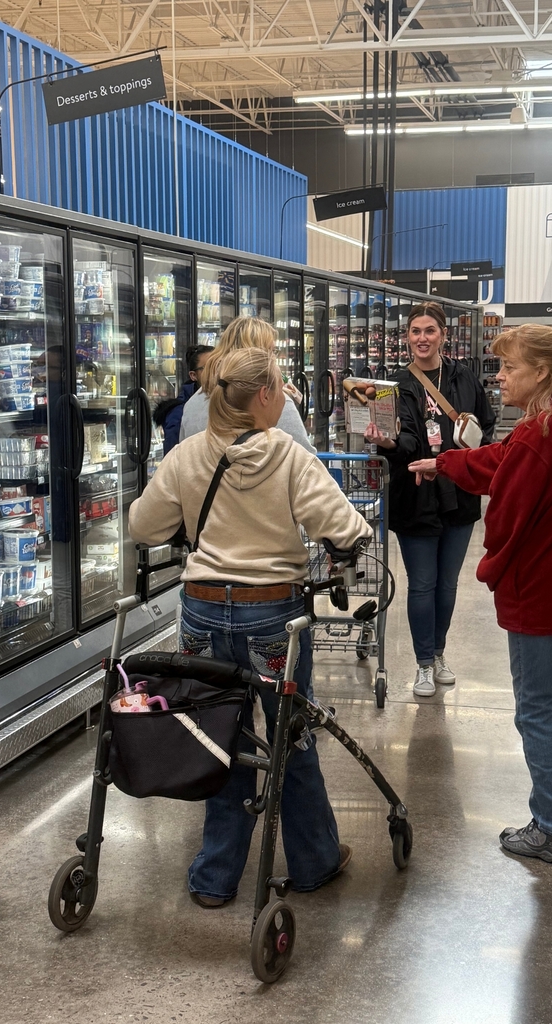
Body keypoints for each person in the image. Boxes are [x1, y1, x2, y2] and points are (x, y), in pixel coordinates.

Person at [129, 346, 371, 906]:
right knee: (291, 736)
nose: (284, 394)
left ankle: (216, 876)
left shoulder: (187, 455)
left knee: (217, 734)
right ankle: (313, 860)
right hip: (272, 617)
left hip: (201, 611)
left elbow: (143, 526)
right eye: (280, 385)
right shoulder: (288, 455)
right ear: (264, 395)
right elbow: (346, 528)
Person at [408, 324, 552, 866]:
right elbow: (503, 461)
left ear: (541, 372)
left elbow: (507, 514)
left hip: (539, 589)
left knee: (535, 708)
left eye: (509, 367)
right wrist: (444, 463)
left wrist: (493, 566)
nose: (499, 377)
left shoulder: (538, 431)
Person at [364, 301, 495, 698]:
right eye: (416, 331)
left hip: (458, 494)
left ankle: (438, 653)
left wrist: (470, 454)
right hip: (416, 496)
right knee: (422, 584)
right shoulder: (393, 386)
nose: (422, 338)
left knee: (448, 585)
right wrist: (386, 442)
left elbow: (485, 425)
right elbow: (401, 440)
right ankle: (423, 663)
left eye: (430, 331)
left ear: (443, 335)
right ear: (407, 337)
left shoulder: (463, 377)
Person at [179, 315, 316, 454]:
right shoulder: (272, 399)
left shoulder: (193, 402)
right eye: (271, 351)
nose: (274, 358)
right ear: (257, 355)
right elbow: (305, 458)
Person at [153, 344, 213, 455]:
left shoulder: (226, 400)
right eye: (209, 368)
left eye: (220, 365)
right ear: (193, 375)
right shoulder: (179, 412)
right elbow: (172, 457)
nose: (217, 372)